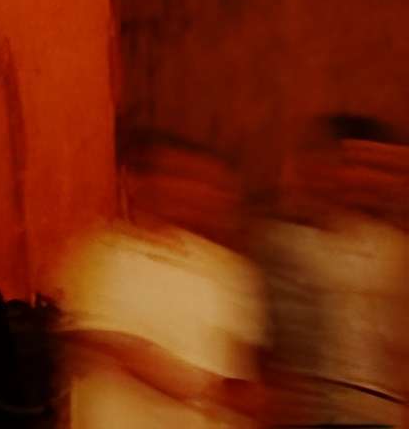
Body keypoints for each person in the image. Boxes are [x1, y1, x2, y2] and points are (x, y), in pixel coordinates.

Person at [64, 132, 265, 429]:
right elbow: (124, 348)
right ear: (134, 182)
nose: (185, 189)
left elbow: (241, 370)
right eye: (174, 175)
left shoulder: (226, 267)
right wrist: (211, 391)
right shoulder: (103, 258)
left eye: (194, 179)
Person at [257, 116, 409, 429]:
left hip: (384, 411)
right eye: (354, 164)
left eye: (381, 169)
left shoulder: (396, 250)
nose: (365, 178)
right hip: (314, 409)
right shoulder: (286, 244)